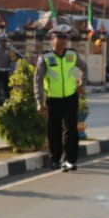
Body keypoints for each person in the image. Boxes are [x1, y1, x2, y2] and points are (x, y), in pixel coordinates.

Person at [33, 25, 83, 172]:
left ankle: (70, 160)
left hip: (70, 98)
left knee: (71, 130)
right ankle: (55, 159)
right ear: (52, 39)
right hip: (53, 99)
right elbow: (38, 80)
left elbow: (84, 68)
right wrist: (39, 102)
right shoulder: (45, 58)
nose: (63, 41)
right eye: (60, 38)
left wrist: (82, 83)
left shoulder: (72, 55)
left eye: (66, 38)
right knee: (53, 131)